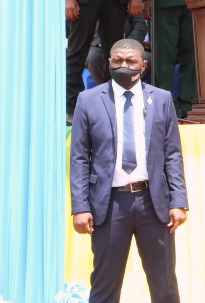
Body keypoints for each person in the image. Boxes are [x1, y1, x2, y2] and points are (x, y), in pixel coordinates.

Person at [70, 39, 188, 302]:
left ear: (143, 66)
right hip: (109, 205)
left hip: (153, 204)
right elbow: (79, 157)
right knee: (104, 287)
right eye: (117, 61)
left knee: (165, 286)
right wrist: (80, 207)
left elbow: (172, 155)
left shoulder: (161, 99)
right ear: (109, 63)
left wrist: (179, 201)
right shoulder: (88, 100)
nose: (123, 65)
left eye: (130, 61)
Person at [86, 15, 150, 85]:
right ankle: (108, 89)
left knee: (148, 58)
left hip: (128, 45)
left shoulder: (130, 5)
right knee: (92, 58)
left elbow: (140, 24)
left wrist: (129, 43)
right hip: (100, 46)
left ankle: (128, 86)